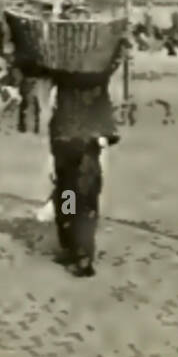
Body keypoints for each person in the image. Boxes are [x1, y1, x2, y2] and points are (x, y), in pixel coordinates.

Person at [48, 44, 125, 277]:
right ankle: (74, 249)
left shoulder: (80, 78)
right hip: (72, 148)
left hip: (78, 149)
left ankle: (81, 254)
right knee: (73, 200)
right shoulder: (78, 79)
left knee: (77, 201)